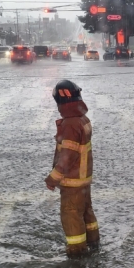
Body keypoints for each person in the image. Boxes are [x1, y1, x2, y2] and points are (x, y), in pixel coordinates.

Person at [45, 80, 99, 255]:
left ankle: (77, 253)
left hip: (73, 182)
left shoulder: (70, 125)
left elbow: (67, 157)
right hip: (83, 180)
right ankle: (93, 242)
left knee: (71, 215)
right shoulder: (83, 119)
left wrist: (53, 177)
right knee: (86, 211)